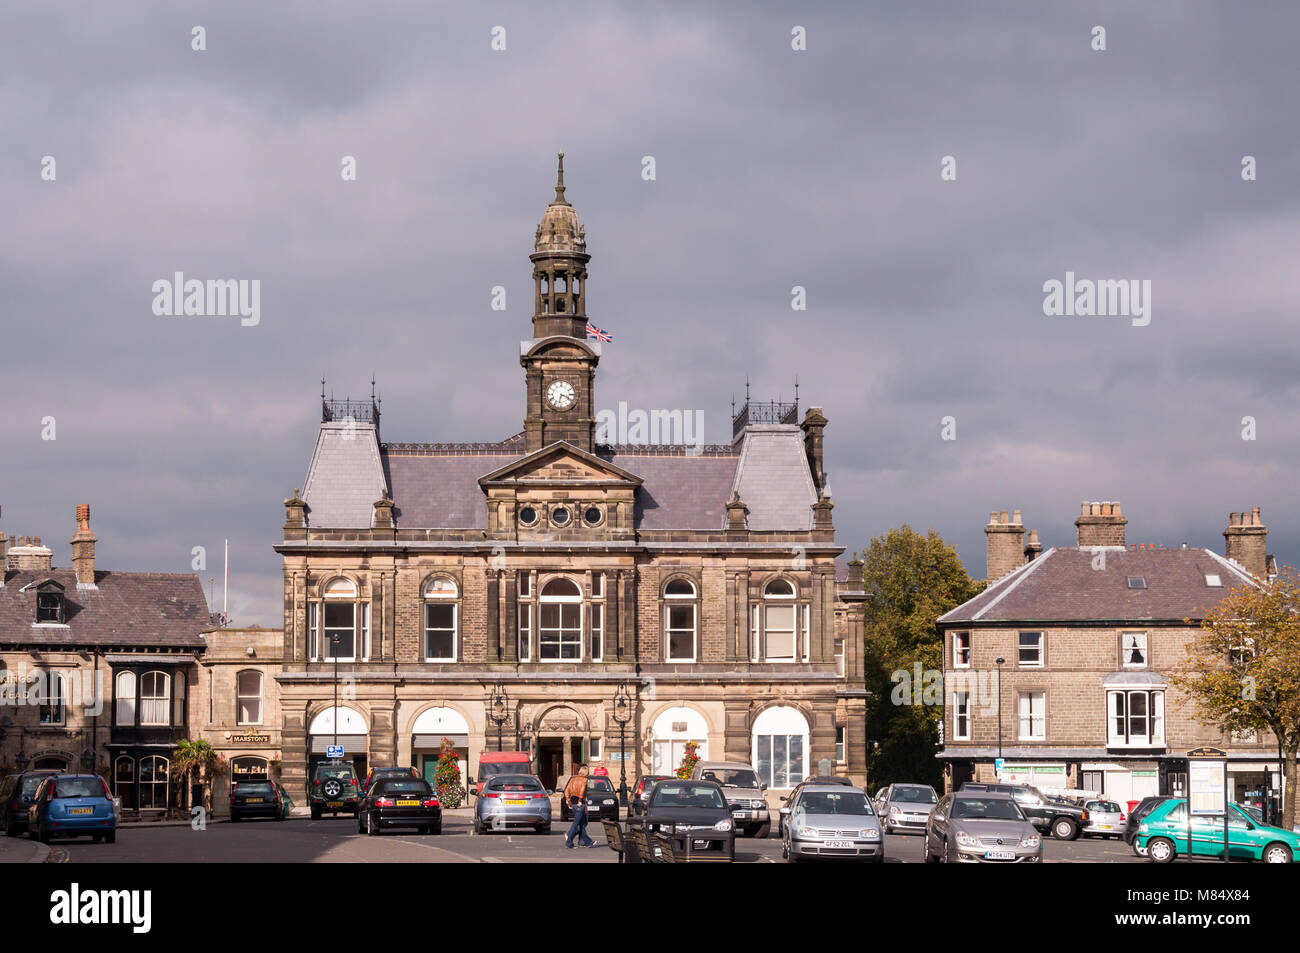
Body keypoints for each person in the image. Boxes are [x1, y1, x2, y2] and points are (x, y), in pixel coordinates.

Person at [563, 764, 595, 849]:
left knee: (582, 824)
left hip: (573, 804)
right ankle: (569, 842)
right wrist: (580, 801)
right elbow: (582, 791)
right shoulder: (584, 780)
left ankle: (586, 842)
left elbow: (566, 791)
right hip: (579, 805)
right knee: (576, 824)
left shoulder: (573, 779)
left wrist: (569, 802)